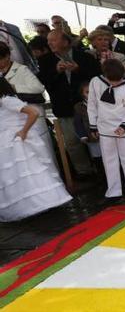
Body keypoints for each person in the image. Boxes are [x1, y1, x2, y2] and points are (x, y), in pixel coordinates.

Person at [0, 77, 71, 221]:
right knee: (20, 174)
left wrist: (23, 131)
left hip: (17, 141)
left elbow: (34, 112)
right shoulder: (4, 102)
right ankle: (32, 204)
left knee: (29, 171)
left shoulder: (7, 100)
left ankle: (41, 202)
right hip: (8, 141)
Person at [38, 29, 101, 177]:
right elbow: (42, 81)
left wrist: (78, 69)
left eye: (53, 40)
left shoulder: (84, 56)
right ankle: (84, 172)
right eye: (48, 41)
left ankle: (101, 170)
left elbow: (96, 77)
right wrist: (56, 71)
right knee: (72, 143)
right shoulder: (45, 60)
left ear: (65, 41)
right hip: (64, 107)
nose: (49, 43)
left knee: (94, 139)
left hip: (86, 107)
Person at [87, 58, 125, 200]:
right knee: (109, 160)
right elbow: (92, 105)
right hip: (104, 128)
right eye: (111, 80)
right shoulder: (95, 82)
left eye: (118, 80)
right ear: (104, 74)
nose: (114, 83)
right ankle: (114, 192)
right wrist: (93, 125)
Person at [74, 81, 101, 164]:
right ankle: (101, 174)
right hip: (91, 137)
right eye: (87, 92)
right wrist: (82, 135)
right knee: (97, 158)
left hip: (106, 135)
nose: (91, 94)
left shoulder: (103, 103)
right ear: (82, 94)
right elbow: (78, 123)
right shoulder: (79, 107)